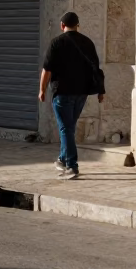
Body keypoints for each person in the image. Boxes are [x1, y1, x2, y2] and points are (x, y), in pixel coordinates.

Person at [38, 12, 104, 180]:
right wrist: (101, 91)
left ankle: (71, 166)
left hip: (63, 93)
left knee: (66, 128)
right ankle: (62, 159)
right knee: (69, 127)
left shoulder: (56, 43)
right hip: (81, 93)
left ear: (62, 25)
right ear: (77, 25)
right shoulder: (87, 42)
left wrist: (42, 90)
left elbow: (47, 70)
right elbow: (96, 68)